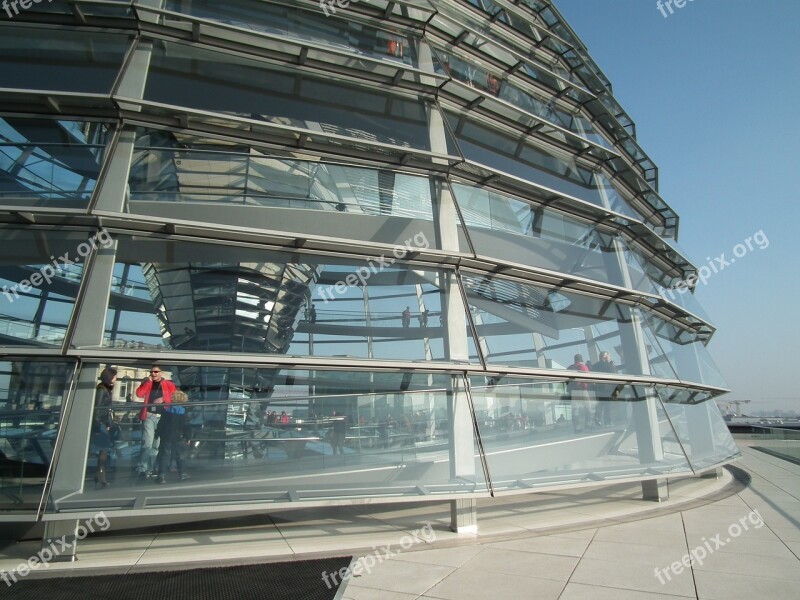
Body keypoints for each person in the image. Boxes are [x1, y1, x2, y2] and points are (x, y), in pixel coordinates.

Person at [135, 364, 176, 477]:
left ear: (161, 373)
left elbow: (175, 397)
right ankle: (142, 468)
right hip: (149, 415)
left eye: (156, 372)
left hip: (162, 416)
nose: (153, 374)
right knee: (147, 442)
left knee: (155, 445)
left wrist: (163, 398)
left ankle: (151, 469)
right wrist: (144, 383)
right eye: (152, 372)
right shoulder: (148, 384)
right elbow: (139, 394)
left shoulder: (168, 384)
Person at [154, 390, 189, 484]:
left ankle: (161, 475)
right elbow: (186, 425)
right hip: (179, 436)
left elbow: (161, 423)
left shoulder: (167, 409)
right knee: (180, 455)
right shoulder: (183, 411)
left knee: (164, 455)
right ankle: (182, 473)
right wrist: (188, 436)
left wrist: (157, 434)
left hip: (167, 435)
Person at [91, 366, 118, 487]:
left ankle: (100, 474)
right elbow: (98, 408)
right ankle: (101, 474)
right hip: (100, 423)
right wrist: (98, 426)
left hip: (103, 422)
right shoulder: (102, 389)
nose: (116, 378)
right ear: (110, 377)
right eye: (115, 376)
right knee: (104, 448)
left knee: (104, 448)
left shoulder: (105, 389)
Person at [592, 351, 617, 426]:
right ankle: (608, 422)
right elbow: (614, 379)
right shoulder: (609, 366)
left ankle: (598, 417)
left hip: (598, 388)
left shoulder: (595, 366)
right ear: (605, 357)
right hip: (608, 389)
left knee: (600, 404)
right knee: (608, 406)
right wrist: (616, 392)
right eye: (608, 356)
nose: (609, 358)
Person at [567, 354, 590, 431]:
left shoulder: (569, 368)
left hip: (573, 391)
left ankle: (576, 427)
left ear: (574, 360)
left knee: (575, 409)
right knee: (588, 407)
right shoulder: (583, 367)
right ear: (581, 360)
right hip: (582, 390)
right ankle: (588, 424)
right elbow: (588, 377)